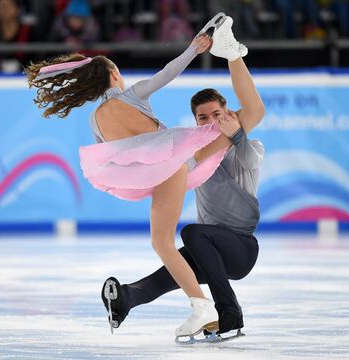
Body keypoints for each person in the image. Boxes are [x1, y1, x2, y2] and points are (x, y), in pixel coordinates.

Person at [26, 14, 254, 339]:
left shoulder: (95, 120)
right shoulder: (131, 95)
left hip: (157, 173)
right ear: (114, 75)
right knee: (163, 240)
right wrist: (193, 49)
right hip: (172, 164)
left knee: (161, 243)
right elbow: (168, 73)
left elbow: (113, 159)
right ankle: (201, 306)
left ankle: (201, 306)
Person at [99, 24, 266, 339]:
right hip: (209, 249)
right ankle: (126, 298)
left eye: (217, 114)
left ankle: (229, 313)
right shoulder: (197, 152)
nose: (211, 122)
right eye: (203, 118)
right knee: (172, 271)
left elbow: (255, 112)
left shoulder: (246, 147)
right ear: (195, 124)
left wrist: (233, 57)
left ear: (228, 113)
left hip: (241, 248)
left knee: (191, 233)